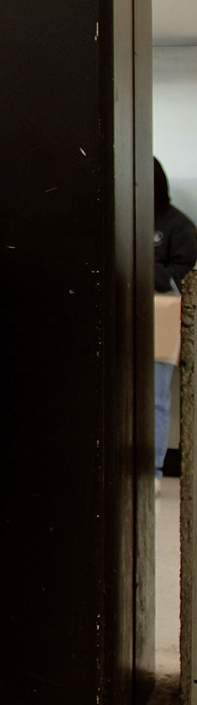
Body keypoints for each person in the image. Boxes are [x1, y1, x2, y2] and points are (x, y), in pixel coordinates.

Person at [154, 159, 197, 484]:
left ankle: (152, 471)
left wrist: (144, 270)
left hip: (161, 321)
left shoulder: (178, 226)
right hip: (122, 321)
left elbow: (182, 277)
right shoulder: (125, 218)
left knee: (156, 398)